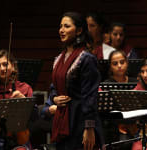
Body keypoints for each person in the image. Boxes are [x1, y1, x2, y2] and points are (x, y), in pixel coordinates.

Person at [50, 11, 104, 150]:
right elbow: (53, 87)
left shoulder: (87, 58)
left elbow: (90, 96)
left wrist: (89, 128)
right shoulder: (58, 59)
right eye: (61, 26)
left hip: (81, 121)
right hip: (63, 120)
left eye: (67, 26)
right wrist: (54, 98)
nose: (61, 30)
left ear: (79, 30)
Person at [0, 49, 35, 150]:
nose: (2, 69)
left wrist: (24, 100)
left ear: (13, 66)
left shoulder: (25, 88)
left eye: (5, 64)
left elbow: (34, 117)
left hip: (20, 137)